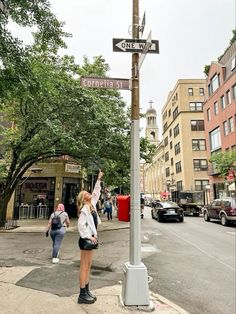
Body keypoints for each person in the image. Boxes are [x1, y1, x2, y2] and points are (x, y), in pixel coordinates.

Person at [77, 169, 104, 304]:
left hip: (90, 239)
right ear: (83, 198)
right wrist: (89, 236)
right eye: (85, 193)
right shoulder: (84, 209)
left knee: (89, 265)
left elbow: (96, 192)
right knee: (84, 266)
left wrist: (99, 179)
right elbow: (81, 226)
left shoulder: (91, 205)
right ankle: (82, 294)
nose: (89, 193)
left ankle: (87, 291)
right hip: (85, 241)